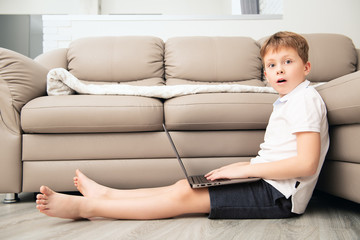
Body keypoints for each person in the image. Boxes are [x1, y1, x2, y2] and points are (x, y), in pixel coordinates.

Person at [36, 31, 329, 220]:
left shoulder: (305, 100)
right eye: (271, 65)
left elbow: (305, 164)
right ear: (265, 73)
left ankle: (86, 208)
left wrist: (245, 169)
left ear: (306, 67)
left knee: (182, 196)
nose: (279, 69)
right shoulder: (290, 101)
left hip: (280, 197)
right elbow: (281, 156)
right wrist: (237, 168)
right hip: (269, 185)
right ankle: (107, 196)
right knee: (183, 185)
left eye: (288, 62)